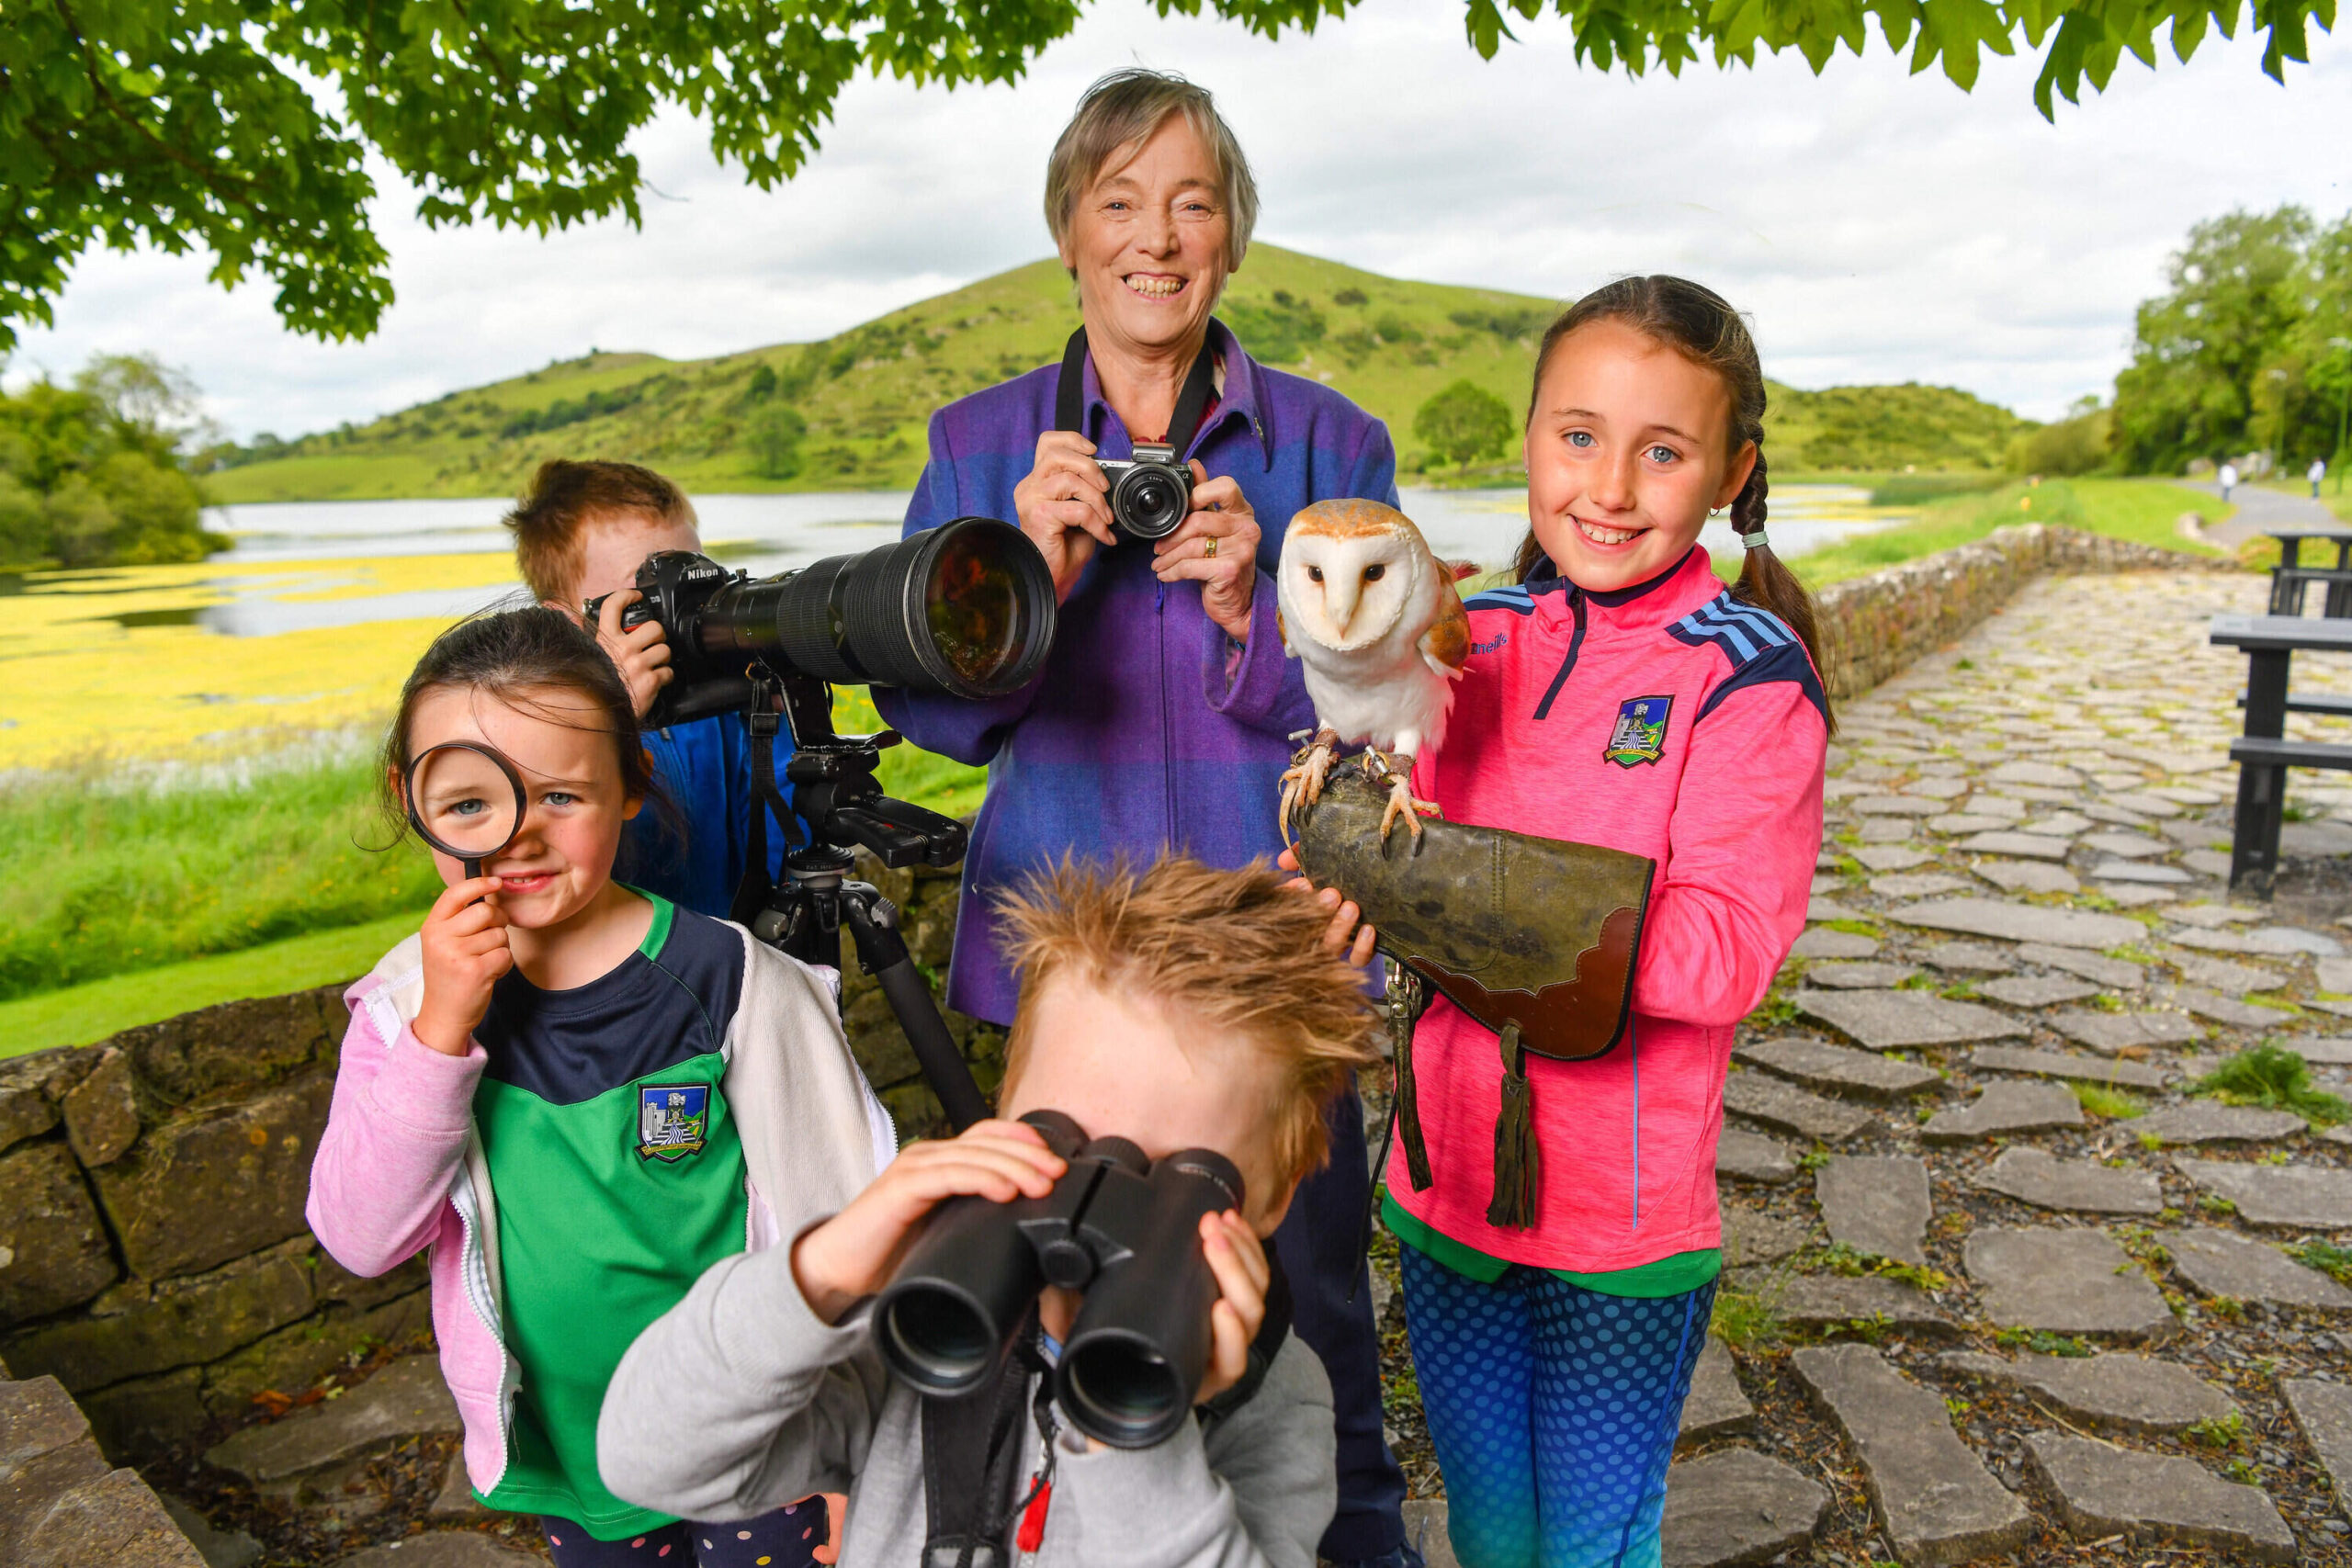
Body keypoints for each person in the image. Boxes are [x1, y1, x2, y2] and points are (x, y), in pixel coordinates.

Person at [868, 68, 1414, 1567]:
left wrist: (1254, 612)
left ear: (1231, 235)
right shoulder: (981, 448)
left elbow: (1382, 722)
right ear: (1067, 232)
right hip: (1075, 1001)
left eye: (1191, 203)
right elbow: (931, 720)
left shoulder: (1326, 445)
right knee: (1075, 1324)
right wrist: (1019, 593)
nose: (1155, 238)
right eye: (1120, 203)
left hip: (1280, 978)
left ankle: (1350, 1545)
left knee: (1313, 1328)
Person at [1295, 276, 1828, 1567]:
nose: (1610, 483)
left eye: (1664, 449)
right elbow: (1363, 805)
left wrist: (1470, 898)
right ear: (1529, 440)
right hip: (1446, 1177)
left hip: (1619, 1221)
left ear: (1730, 470)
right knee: (1490, 1531)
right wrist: (1341, 856)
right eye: (1577, 435)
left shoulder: (1745, 674)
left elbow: (1720, 954)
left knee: (1588, 1544)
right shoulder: (1478, 633)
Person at [307, 608, 895, 1566]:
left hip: (761, 1438)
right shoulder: (403, 1011)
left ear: (631, 784)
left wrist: (853, 1457)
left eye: (562, 797)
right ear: (408, 800)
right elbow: (361, 1238)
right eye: (469, 805)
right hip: (580, 1463)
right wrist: (438, 1034)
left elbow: (847, 1217)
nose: (519, 837)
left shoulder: (738, 984)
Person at [598, 854, 1385, 1568]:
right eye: (1059, 1137)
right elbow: (647, 1456)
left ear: (1272, 1199)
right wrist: (822, 1270)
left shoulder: (1271, 1396)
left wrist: (1133, 1412)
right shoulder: (919, 1319)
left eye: (1181, 1176)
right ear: (1003, 1112)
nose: (1098, 1194)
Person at [506, 458, 790, 919]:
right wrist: (610, 716)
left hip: (726, 958)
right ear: (566, 619)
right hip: (613, 975)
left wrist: (778, 709)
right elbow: (537, 852)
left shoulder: (721, 709)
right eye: (650, 595)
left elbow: (782, 852)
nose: (684, 615)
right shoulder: (532, 728)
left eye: (692, 581)